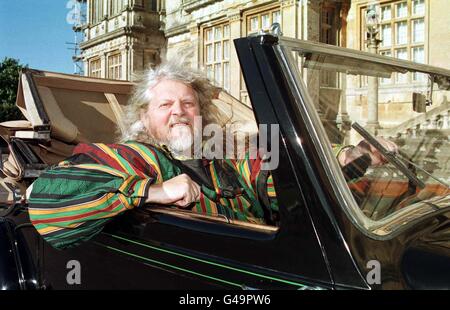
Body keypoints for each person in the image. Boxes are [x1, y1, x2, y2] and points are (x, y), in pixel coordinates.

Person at [28, 60, 397, 249]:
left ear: (200, 114)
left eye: (188, 104)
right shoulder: (135, 156)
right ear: (143, 116)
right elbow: (47, 198)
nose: (179, 112)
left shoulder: (222, 159)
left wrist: (353, 159)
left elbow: (281, 176)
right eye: (165, 105)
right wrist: (153, 192)